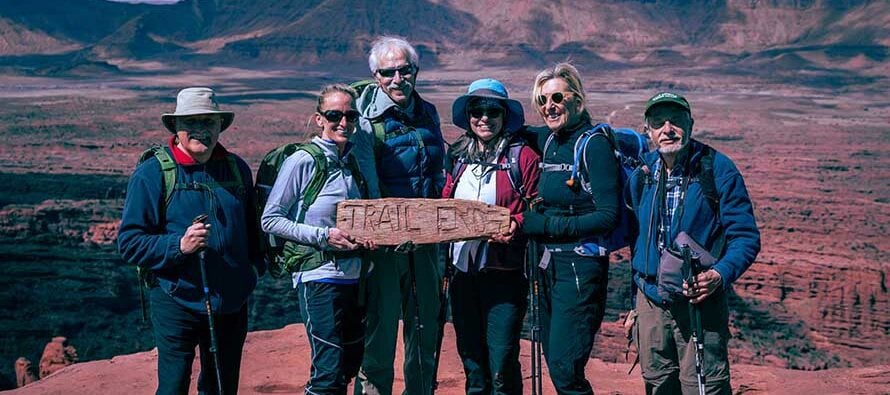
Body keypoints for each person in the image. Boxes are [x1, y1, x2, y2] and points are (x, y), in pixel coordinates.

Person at [118, 87, 263, 395]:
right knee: (173, 385)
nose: (201, 130)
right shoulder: (153, 172)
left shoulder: (236, 168)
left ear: (219, 126)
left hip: (230, 301)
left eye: (208, 122)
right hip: (176, 297)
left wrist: (251, 271)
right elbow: (129, 242)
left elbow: (253, 229)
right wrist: (178, 246)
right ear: (176, 127)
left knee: (222, 387)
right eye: (192, 122)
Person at [626, 92, 760, 394]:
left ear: (691, 124)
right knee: (657, 382)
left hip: (698, 301)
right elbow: (635, 240)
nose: (668, 129)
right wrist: (632, 304)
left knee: (704, 387)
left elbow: (745, 237)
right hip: (649, 301)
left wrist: (720, 274)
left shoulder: (717, 169)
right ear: (648, 130)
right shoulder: (642, 173)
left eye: (676, 120)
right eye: (658, 122)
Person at [261, 84, 376, 394]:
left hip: (355, 278)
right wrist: (324, 236)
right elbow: (270, 219)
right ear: (319, 119)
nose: (343, 122)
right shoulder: (303, 161)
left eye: (350, 116)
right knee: (328, 370)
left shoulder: (351, 161)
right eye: (334, 115)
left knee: (348, 366)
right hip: (319, 277)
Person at [352, 36, 446, 395]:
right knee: (381, 329)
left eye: (404, 70)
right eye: (387, 72)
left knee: (425, 330)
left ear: (415, 71)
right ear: (376, 76)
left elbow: (437, 172)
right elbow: (369, 186)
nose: (396, 79)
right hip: (384, 244)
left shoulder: (428, 113)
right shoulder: (365, 122)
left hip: (426, 241)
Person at [520, 63, 621, 394]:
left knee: (565, 367)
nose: (549, 106)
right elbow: (514, 128)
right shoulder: (549, 140)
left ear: (577, 100)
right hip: (549, 266)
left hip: (580, 267)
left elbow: (608, 216)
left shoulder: (594, 145)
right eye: (542, 99)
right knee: (555, 360)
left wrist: (546, 223)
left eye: (557, 97)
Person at [442, 78, 541, 394]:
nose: (484, 117)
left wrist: (518, 222)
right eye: (477, 110)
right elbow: (445, 203)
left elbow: (541, 206)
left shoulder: (522, 158)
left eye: (492, 110)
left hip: (504, 273)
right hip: (462, 272)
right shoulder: (458, 156)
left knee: (502, 360)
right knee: (471, 358)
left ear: (504, 115)